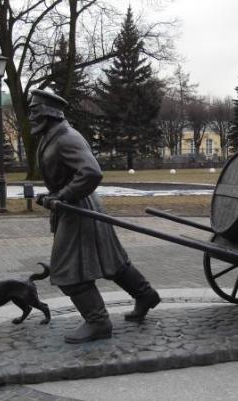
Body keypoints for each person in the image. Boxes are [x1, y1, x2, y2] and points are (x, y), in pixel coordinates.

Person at [30, 89, 161, 344]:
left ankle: (98, 322)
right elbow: (70, 174)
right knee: (110, 260)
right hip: (79, 206)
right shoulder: (53, 135)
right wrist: (54, 195)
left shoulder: (66, 137)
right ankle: (146, 295)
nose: (31, 117)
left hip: (79, 209)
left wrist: (64, 195)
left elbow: (91, 172)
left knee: (66, 271)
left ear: (47, 113)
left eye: (35, 111)